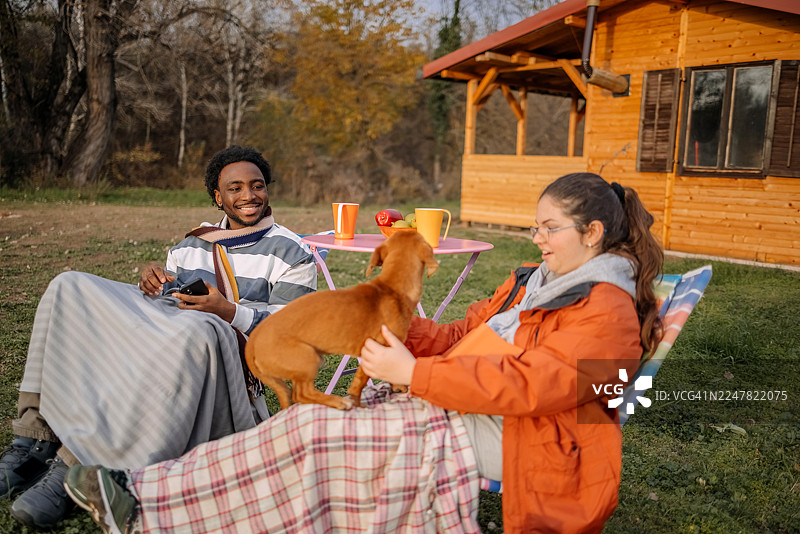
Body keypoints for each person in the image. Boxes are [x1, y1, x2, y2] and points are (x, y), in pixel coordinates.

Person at [64, 172, 664, 533]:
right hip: (464, 403)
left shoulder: (607, 313)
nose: (537, 240)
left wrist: (414, 374)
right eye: (536, 227)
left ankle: (150, 511)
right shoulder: (534, 282)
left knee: (321, 435)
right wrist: (387, 318)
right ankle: (144, 488)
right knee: (305, 419)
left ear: (592, 234)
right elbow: (460, 337)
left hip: (530, 442)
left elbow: (536, 389)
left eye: (549, 228)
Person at [0, 145, 317, 529]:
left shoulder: (293, 253)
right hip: (173, 342)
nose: (249, 195)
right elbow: (168, 305)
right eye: (235, 188)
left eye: (257, 185)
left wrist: (228, 311)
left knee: (198, 329)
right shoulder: (192, 245)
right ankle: (35, 440)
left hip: (233, 365)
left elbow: (292, 332)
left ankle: (74, 465)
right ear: (218, 197)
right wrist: (154, 283)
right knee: (70, 286)